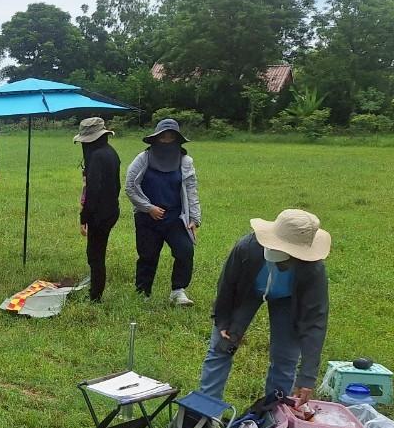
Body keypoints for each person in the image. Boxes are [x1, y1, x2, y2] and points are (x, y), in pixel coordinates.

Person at [197, 209, 331, 404]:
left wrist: (307, 377)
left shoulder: (313, 269)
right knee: (222, 346)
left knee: (286, 359)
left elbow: (315, 320)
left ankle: (272, 415)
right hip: (247, 292)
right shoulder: (247, 248)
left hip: (288, 300)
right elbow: (227, 284)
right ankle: (205, 411)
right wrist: (223, 320)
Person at [124, 118, 201, 305]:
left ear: (177, 140)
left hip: (175, 217)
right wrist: (148, 207)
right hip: (147, 218)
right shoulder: (143, 158)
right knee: (148, 255)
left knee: (185, 251)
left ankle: (178, 291)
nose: (166, 141)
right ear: (156, 138)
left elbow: (191, 189)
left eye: (170, 137)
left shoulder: (185, 161)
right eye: (163, 137)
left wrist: (194, 218)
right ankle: (143, 292)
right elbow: (130, 186)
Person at [74, 117, 120, 302]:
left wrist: (84, 217)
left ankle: (95, 296)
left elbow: (93, 191)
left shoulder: (97, 156)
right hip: (111, 210)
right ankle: (95, 290)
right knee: (97, 253)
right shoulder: (111, 152)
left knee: (95, 255)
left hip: (100, 214)